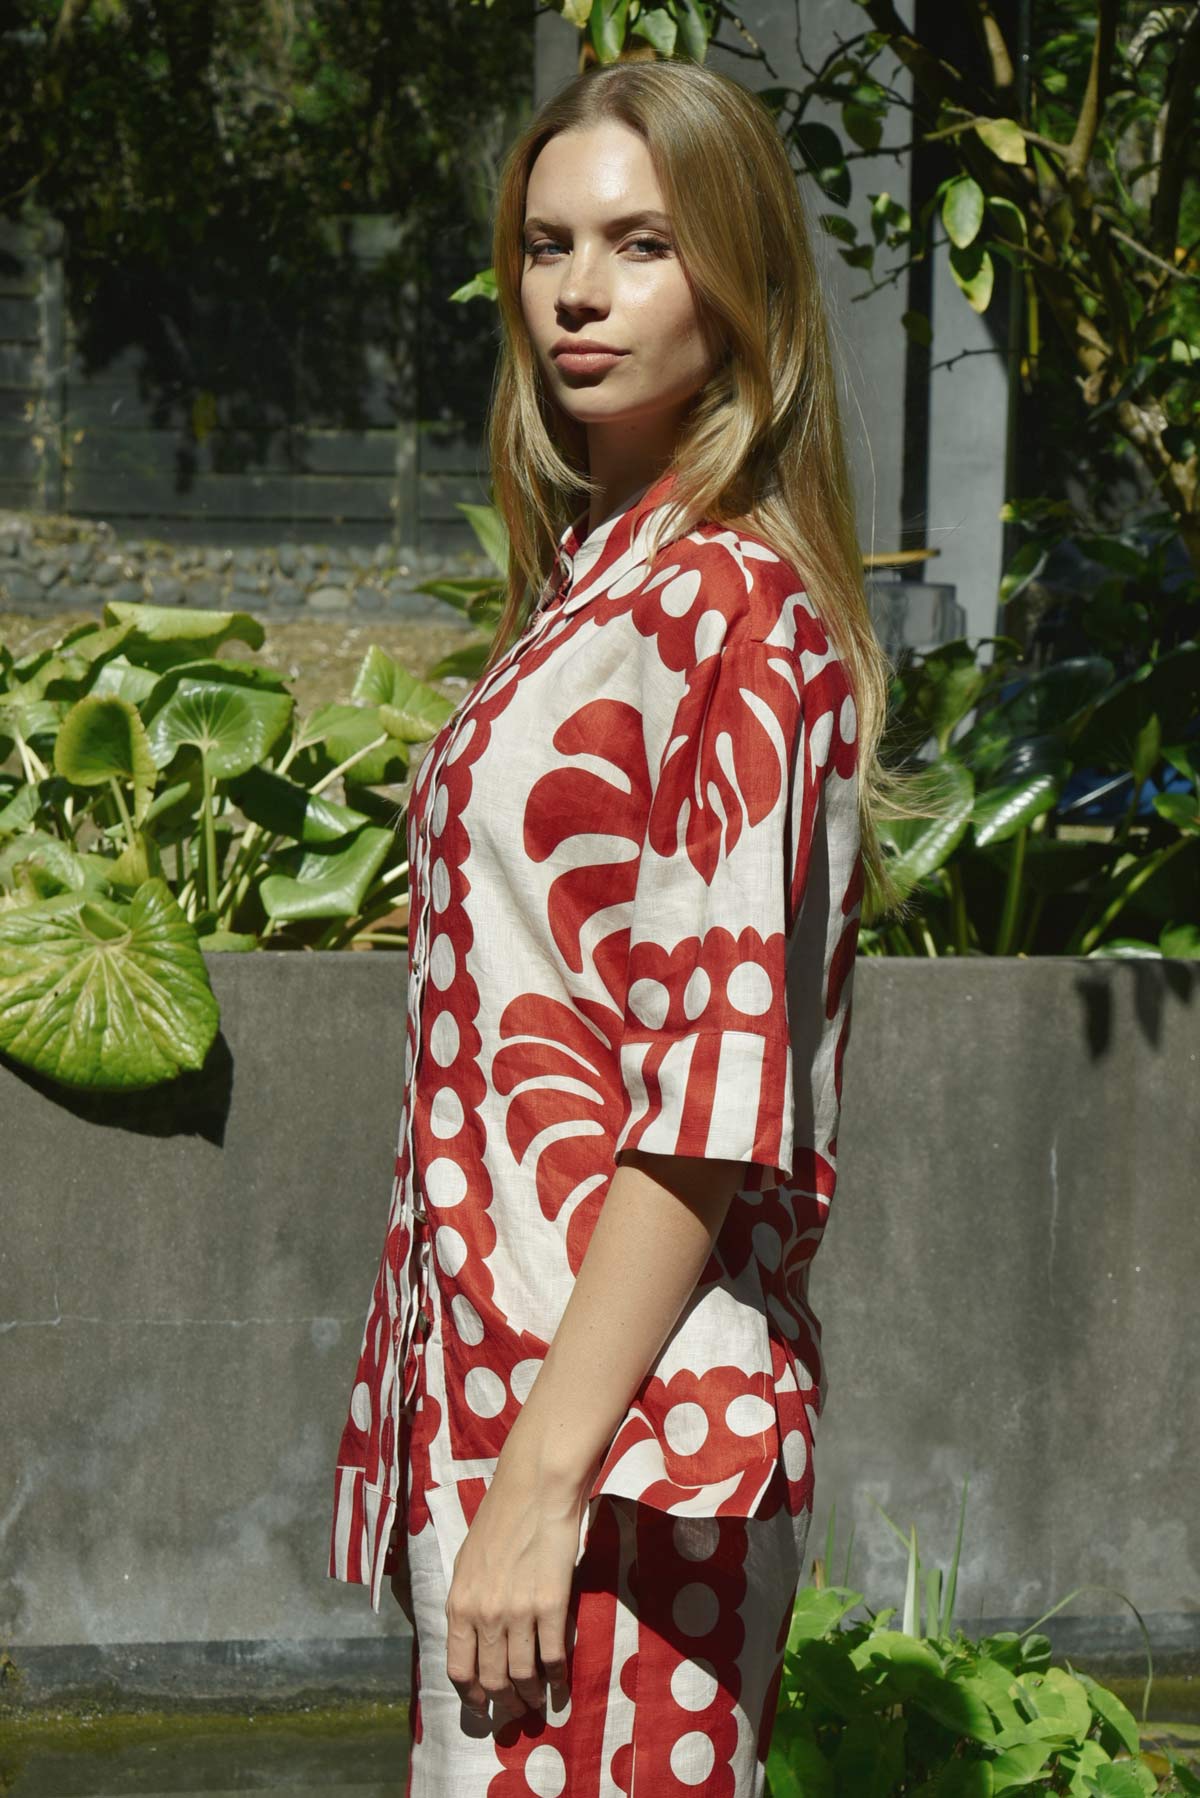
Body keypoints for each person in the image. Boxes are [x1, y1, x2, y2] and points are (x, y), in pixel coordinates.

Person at [329, 53, 919, 1796]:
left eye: (642, 244)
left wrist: (538, 1481)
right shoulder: (596, 588)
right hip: (509, 1405)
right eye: (548, 245)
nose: (578, 291)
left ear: (738, 287)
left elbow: (710, 1102)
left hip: (615, 1454)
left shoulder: (735, 609)